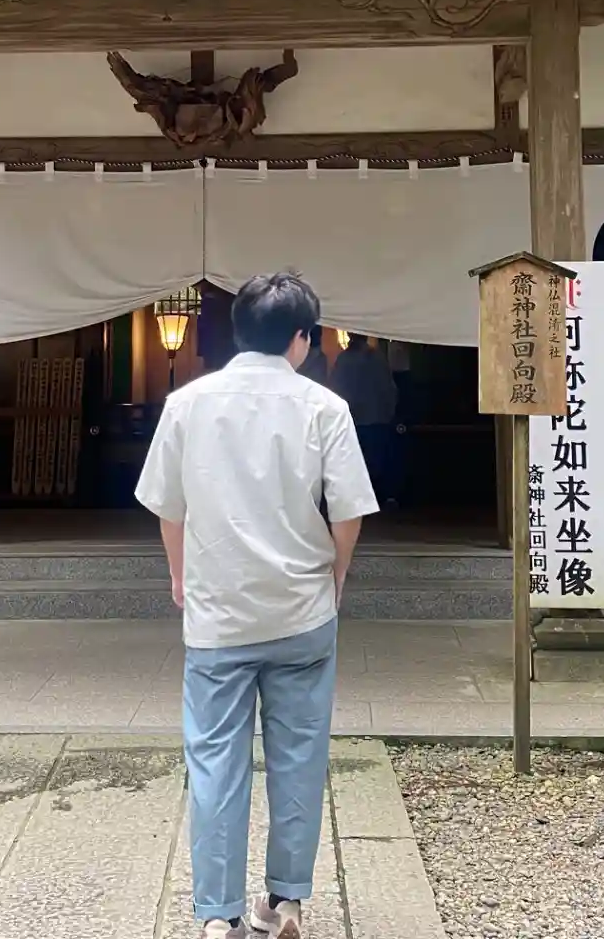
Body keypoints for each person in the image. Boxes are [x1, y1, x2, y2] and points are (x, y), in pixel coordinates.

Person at [136, 273, 379, 939]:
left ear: (238, 331)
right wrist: (336, 575)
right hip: (302, 611)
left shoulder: (186, 404)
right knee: (300, 755)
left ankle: (219, 915)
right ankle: (287, 901)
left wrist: (180, 576)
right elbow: (349, 512)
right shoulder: (324, 407)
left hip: (219, 614)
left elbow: (167, 508)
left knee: (215, 762)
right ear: (302, 337)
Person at [329, 334, 401, 507]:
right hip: (376, 417)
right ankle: (381, 497)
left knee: (355, 463)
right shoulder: (376, 358)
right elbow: (388, 388)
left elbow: (336, 388)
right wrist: (389, 411)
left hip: (353, 419)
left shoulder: (344, 359)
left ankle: (359, 501)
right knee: (377, 460)